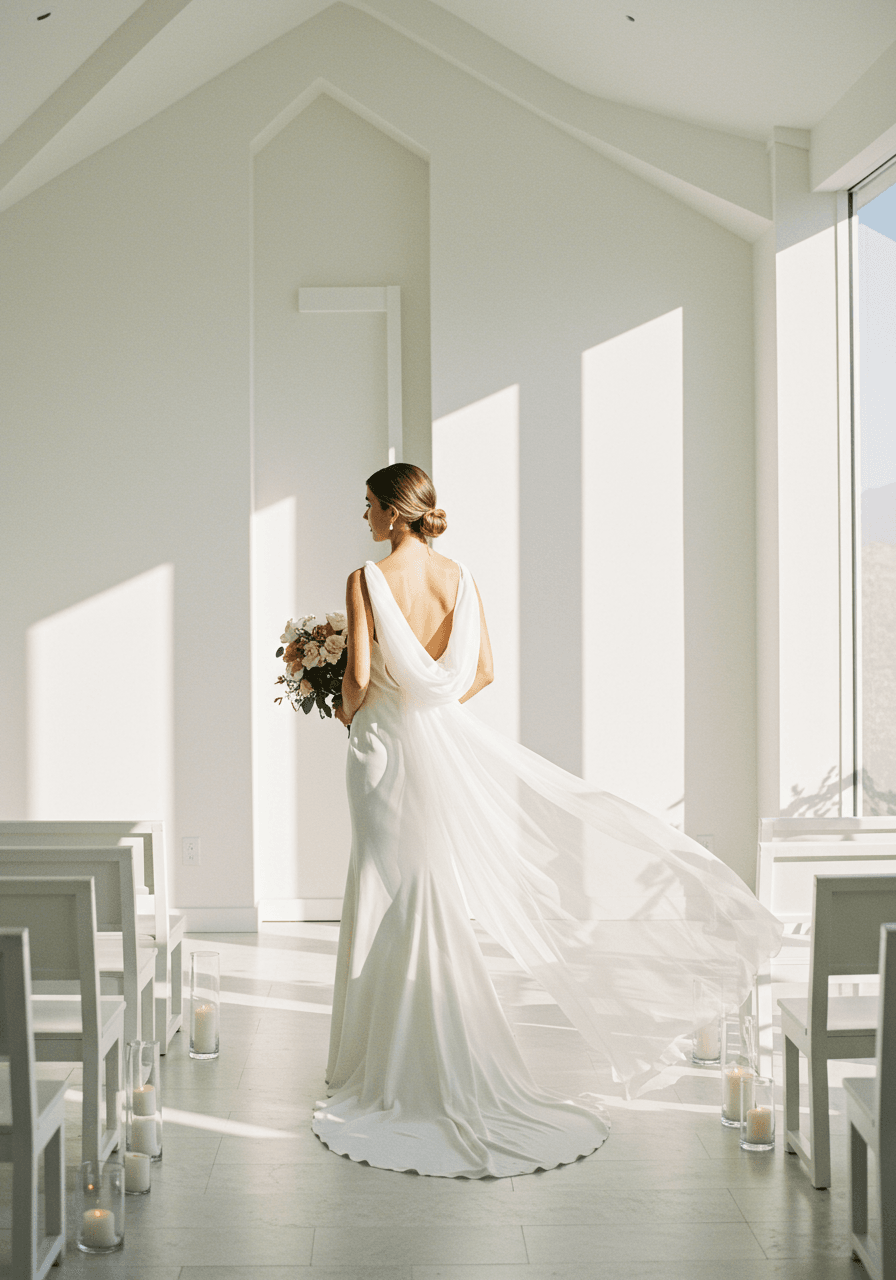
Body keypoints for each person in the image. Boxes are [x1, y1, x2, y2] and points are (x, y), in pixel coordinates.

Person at [312, 463, 782, 1178]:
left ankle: (378, 1060)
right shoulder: (461, 579)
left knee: (382, 889)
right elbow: (485, 671)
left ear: (394, 511)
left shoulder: (364, 578)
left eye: (370, 505)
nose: (365, 518)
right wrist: (432, 710)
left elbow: (355, 679)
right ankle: (437, 1043)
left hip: (378, 750)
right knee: (427, 888)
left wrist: (354, 712)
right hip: (429, 747)